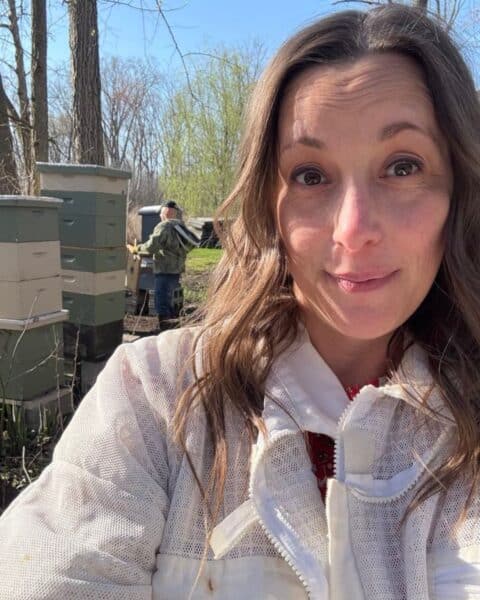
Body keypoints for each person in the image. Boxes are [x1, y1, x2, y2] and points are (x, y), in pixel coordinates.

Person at [1, 4, 480, 598]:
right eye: (310, 175)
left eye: (402, 166)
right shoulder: (155, 397)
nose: (354, 229)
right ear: (265, 204)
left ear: (460, 190)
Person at [132, 200, 196, 329]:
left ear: (166, 212)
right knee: (173, 301)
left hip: (164, 270)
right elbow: (189, 245)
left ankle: (165, 329)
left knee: (162, 302)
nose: (160, 216)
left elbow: (151, 247)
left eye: (161, 213)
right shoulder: (181, 227)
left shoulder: (164, 226)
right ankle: (174, 327)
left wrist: (137, 249)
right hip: (176, 270)